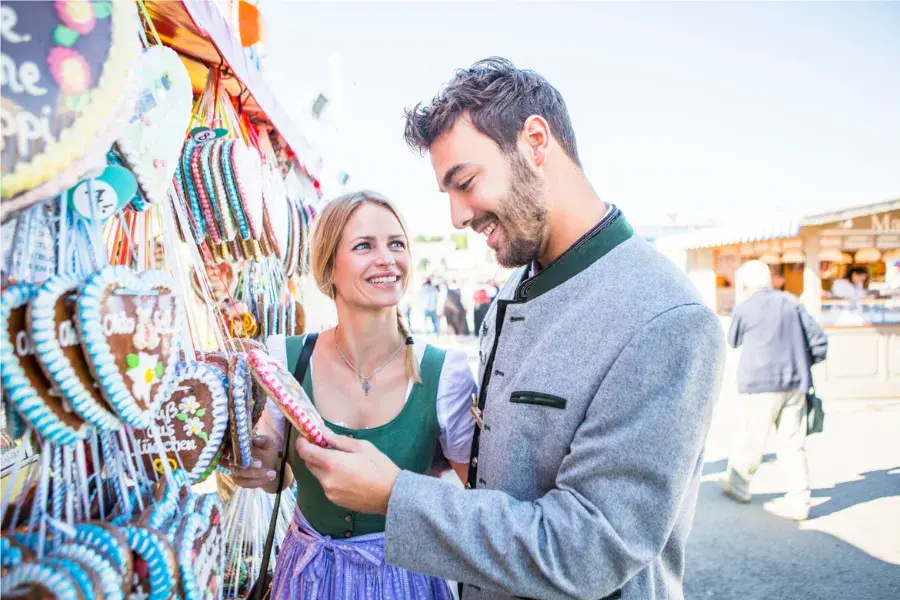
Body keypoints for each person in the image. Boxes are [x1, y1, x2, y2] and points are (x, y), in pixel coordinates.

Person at [293, 58, 725, 600]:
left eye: (465, 182)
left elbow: (588, 549)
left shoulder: (665, 319)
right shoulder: (512, 288)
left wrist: (395, 496)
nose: (455, 217)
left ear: (536, 142)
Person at [232, 191, 477, 598]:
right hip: (309, 578)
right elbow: (279, 477)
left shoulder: (444, 373)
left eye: (396, 244)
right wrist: (259, 469)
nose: (386, 258)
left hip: (407, 578)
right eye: (364, 246)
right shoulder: (286, 359)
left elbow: (479, 502)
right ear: (328, 268)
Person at [721, 260, 828, 521]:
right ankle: (800, 501)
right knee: (793, 443)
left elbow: (732, 340)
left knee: (752, 438)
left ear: (744, 284)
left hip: (759, 383)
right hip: (795, 382)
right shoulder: (791, 302)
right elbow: (819, 340)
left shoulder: (745, 308)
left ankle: (739, 487)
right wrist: (804, 363)